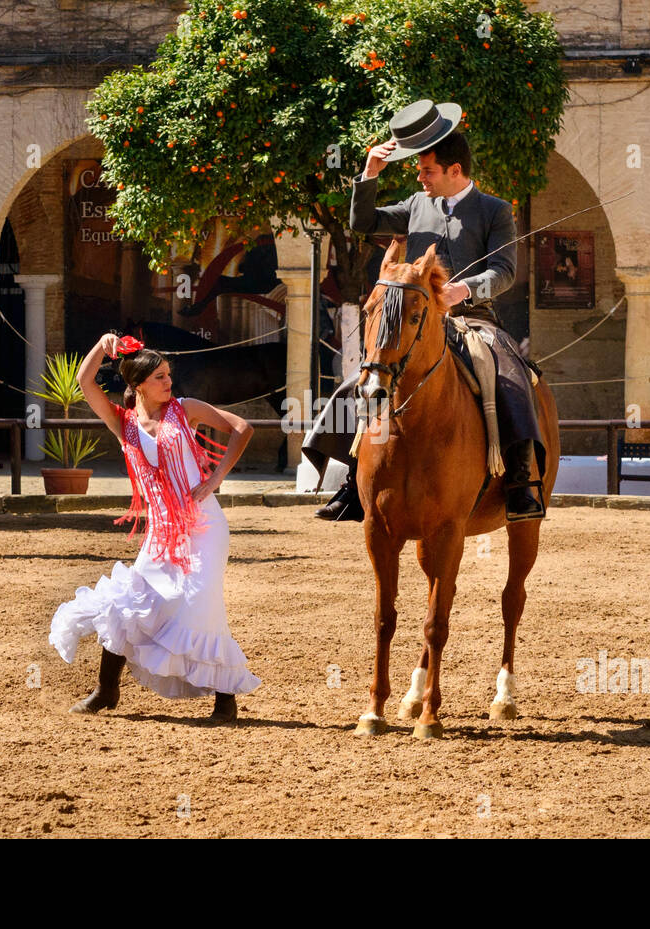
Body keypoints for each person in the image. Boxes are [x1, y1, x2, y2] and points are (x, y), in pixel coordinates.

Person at [302, 99, 547, 523]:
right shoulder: (415, 205)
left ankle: (522, 481)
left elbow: (504, 271)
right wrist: (370, 175)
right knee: (370, 374)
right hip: (415, 320)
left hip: (472, 319)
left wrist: (464, 291)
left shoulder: (495, 210)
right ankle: (352, 481)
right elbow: (362, 223)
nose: (420, 176)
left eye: (427, 170)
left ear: (456, 170)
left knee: (508, 375)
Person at [49, 332, 261, 722]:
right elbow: (84, 382)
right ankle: (106, 691)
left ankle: (226, 701)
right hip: (161, 534)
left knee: (201, 609)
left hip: (205, 527)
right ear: (138, 384)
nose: (168, 382)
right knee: (128, 603)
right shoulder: (123, 423)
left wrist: (215, 480)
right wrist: (101, 344)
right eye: (160, 377)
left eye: (168, 374)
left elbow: (241, 428)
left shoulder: (186, 408)